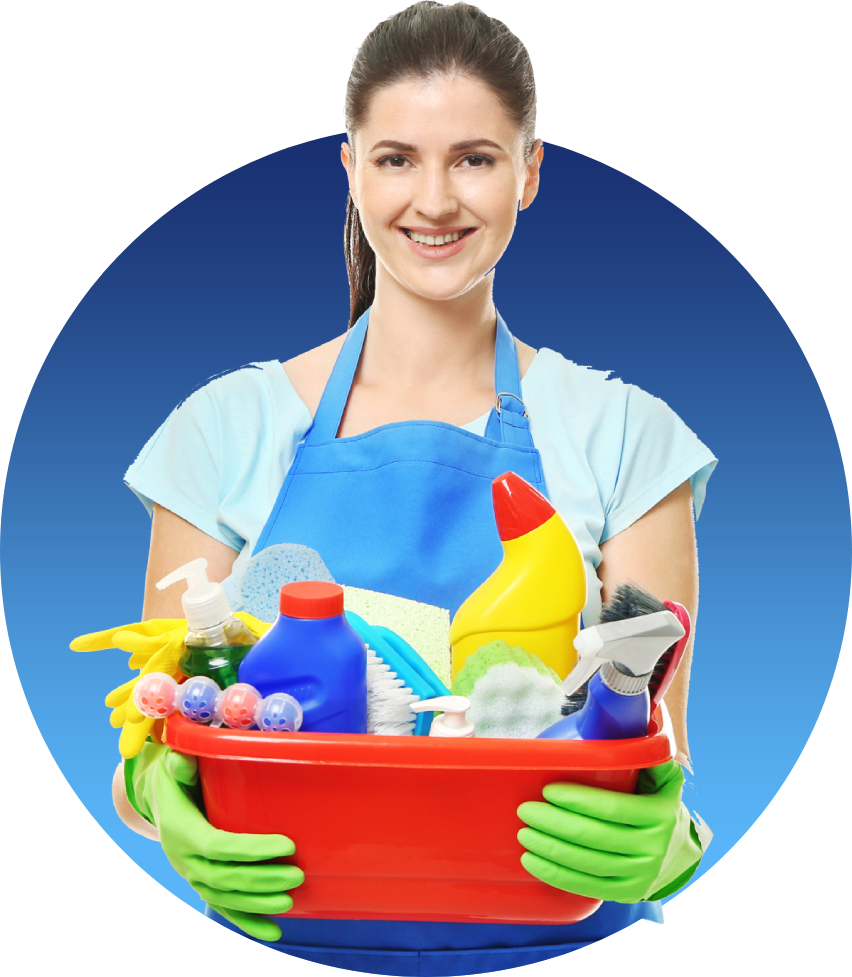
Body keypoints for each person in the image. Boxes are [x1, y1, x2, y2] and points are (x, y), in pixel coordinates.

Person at [101, 2, 716, 971]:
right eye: (395, 159)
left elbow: (660, 742)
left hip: (558, 935)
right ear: (350, 170)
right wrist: (156, 791)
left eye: (474, 157)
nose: (434, 199)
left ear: (532, 170)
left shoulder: (626, 433)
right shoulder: (224, 427)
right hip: (286, 932)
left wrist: (673, 840)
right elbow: (163, 718)